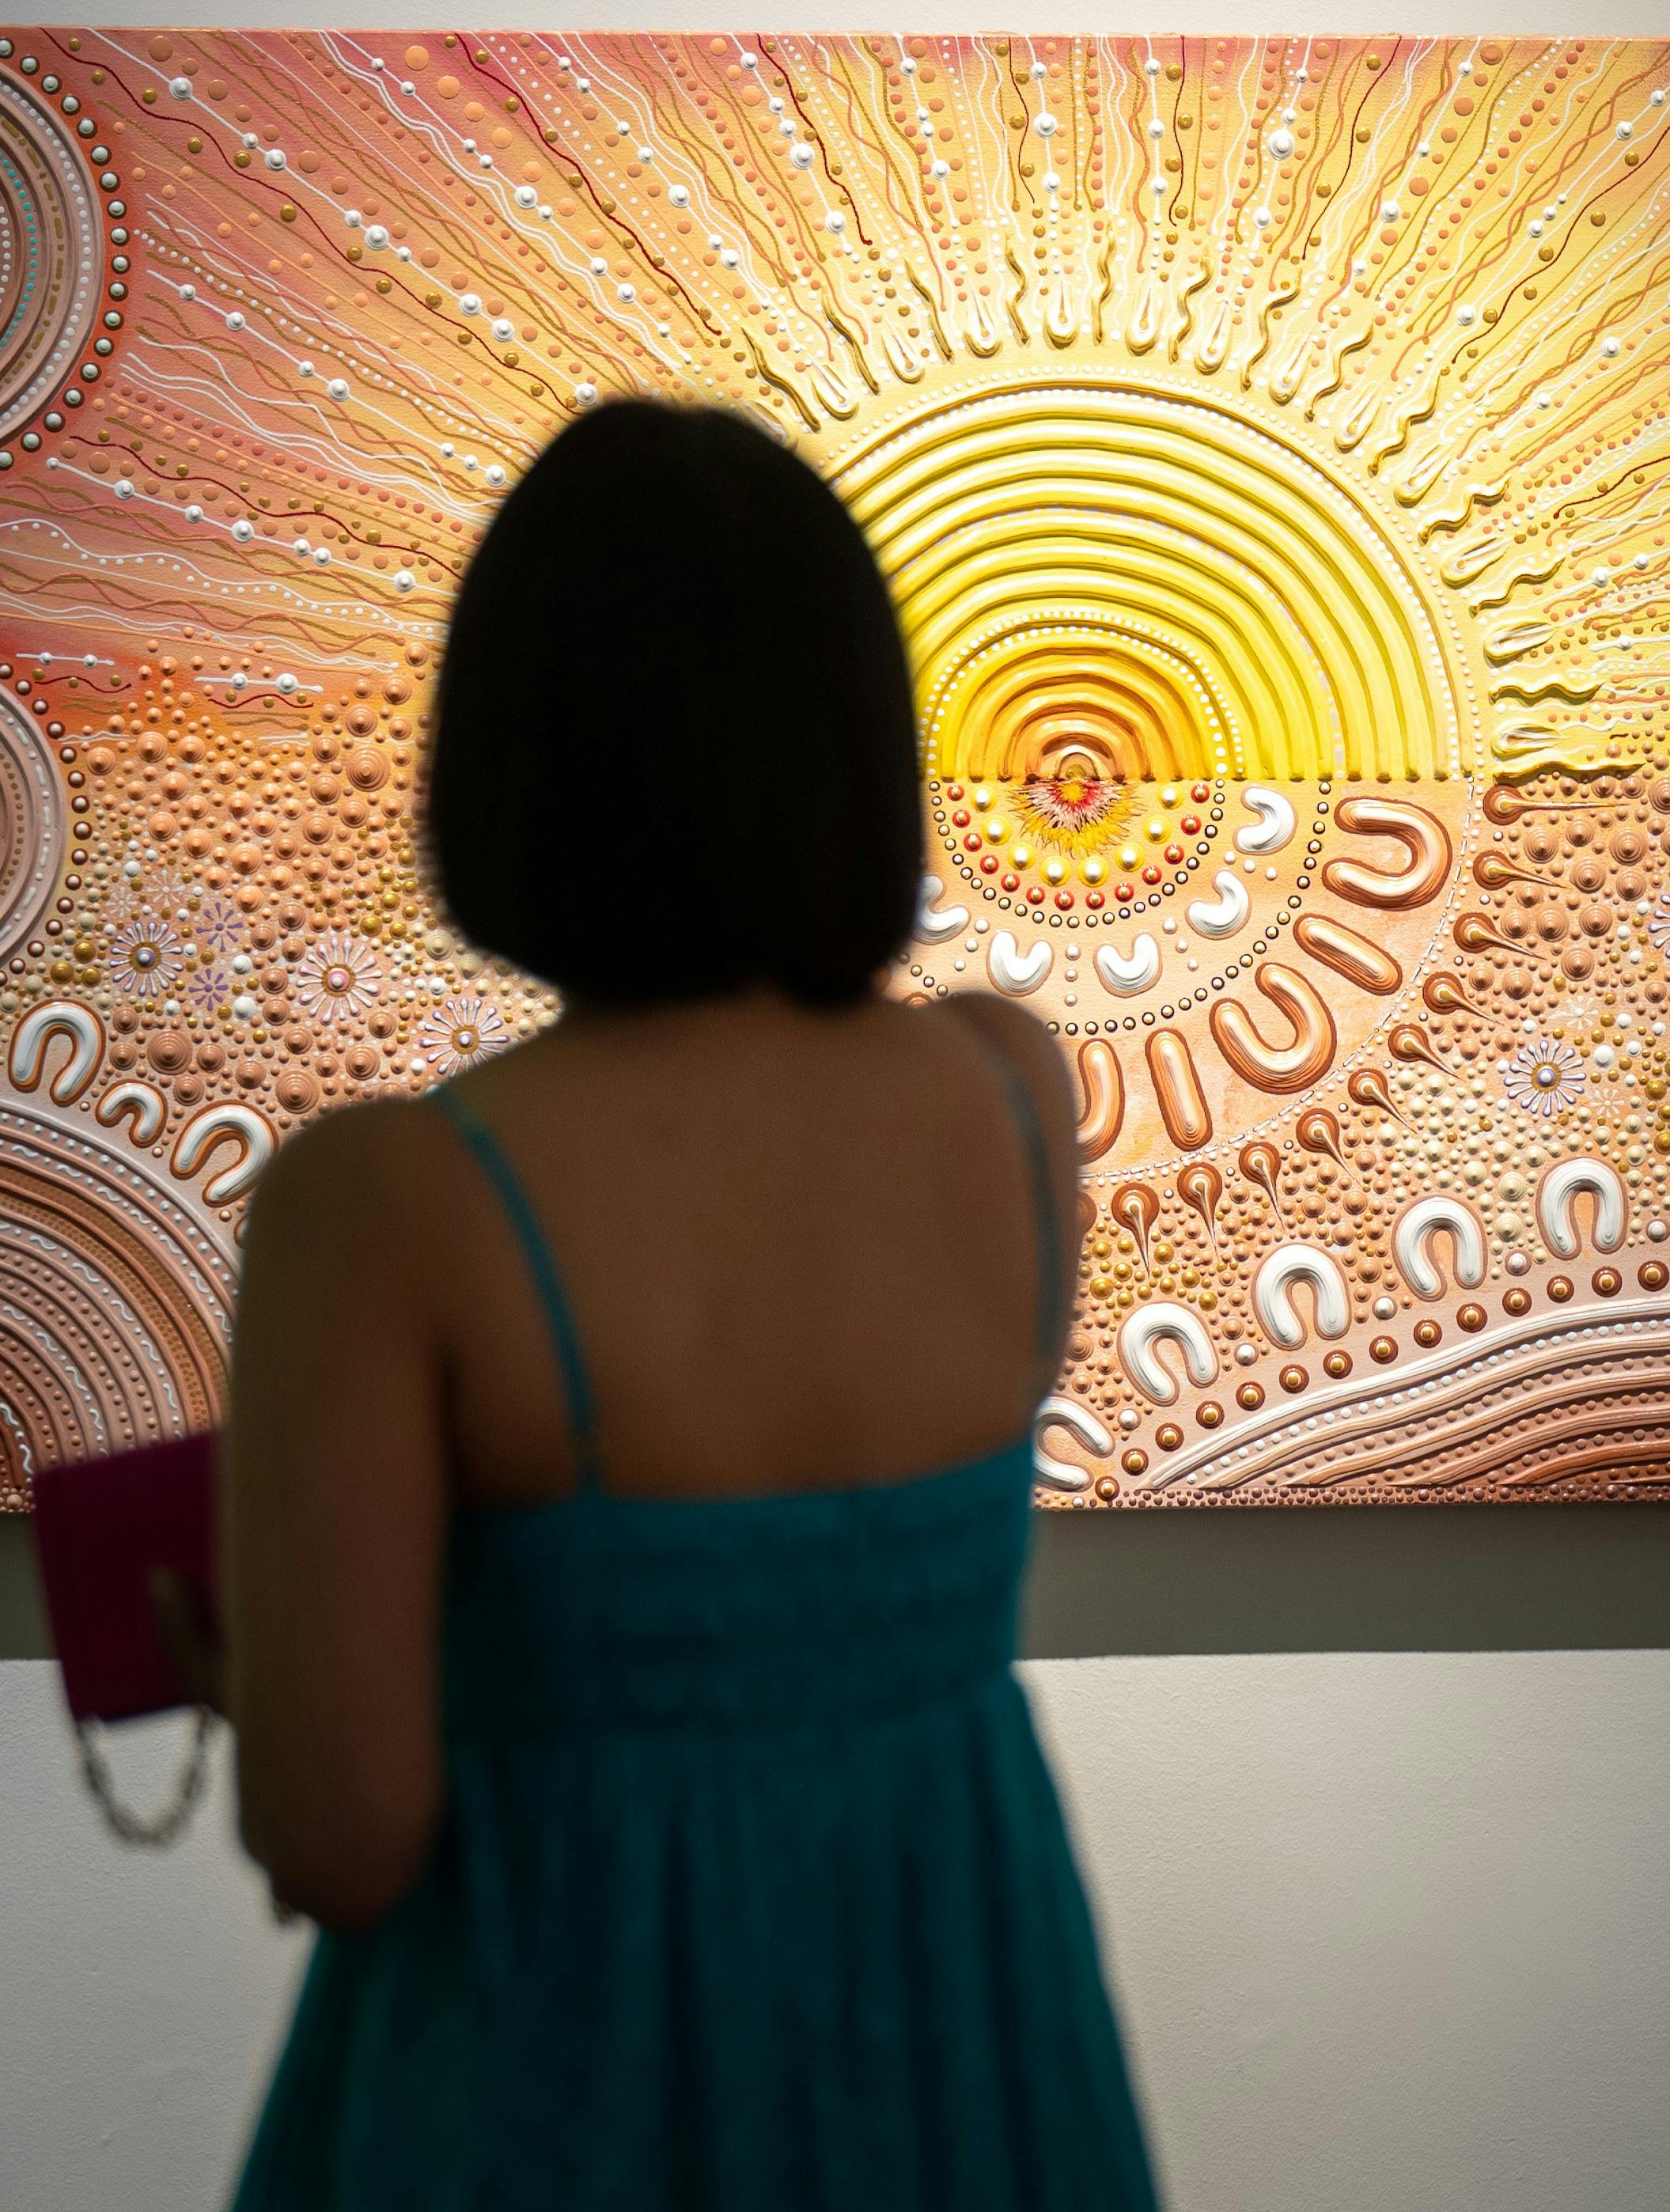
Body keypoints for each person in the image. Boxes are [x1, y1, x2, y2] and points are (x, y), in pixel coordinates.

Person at [199, 401, 1161, 2210]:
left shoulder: (384, 1198)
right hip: (961, 2044)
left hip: (550, 2075)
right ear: (857, 740)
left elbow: (341, 1840)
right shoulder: (1009, 1095)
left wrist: (238, 1661)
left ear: (511, 754)